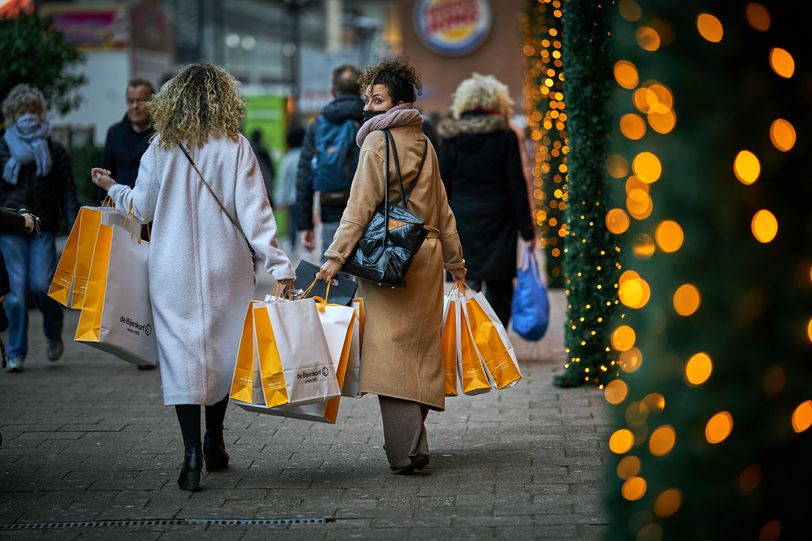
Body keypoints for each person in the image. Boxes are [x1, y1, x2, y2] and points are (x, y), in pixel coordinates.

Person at [91, 63, 295, 491]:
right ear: (223, 98)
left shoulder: (159, 148)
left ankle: (190, 453)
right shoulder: (236, 145)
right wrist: (280, 266)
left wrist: (113, 188)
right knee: (221, 353)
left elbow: (142, 210)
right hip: (228, 268)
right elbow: (256, 214)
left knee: (184, 359)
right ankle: (216, 441)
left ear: (173, 100)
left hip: (172, 269)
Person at [317, 56, 467, 475]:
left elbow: (359, 206)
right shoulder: (424, 141)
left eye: (377, 98)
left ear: (397, 101)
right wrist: (455, 261)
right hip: (428, 256)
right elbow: (443, 207)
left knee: (388, 356)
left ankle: (405, 450)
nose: (369, 105)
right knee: (419, 351)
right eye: (368, 97)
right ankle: (415, 438)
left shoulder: (376, 143)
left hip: (389, 259)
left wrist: (335, 256)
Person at [438, 73, 534, 327]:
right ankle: (496, 340)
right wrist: (528, 230)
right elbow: (517, 186)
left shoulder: (450, 136)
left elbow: (442, 184)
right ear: (497, 101)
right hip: (499, 219)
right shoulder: (505, 136)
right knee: (501, 285)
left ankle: (468, 340)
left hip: (461, 218)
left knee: (465, 281)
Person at [0, 84, 79, 373]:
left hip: (41, 227)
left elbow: (67, 191)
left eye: (33, 111)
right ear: (12, 114)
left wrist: (73, 226)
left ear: (41, 112)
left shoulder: (54, 149)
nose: (28, 116)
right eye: (22, 111)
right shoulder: (3, 147)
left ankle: (53, 333)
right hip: (10, 228)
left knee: (43, 287)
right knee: (17, 294)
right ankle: (16, 352)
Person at [100, 77, 156, 370]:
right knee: (128, 281)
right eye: (130, 100)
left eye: (141, 100)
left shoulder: (162, 135)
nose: (135, 106)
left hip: (152, 220)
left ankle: (148, 340)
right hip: (125, 218)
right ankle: (130, 337)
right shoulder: (114, 133)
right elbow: (105, 175)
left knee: (150, 281)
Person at [296, 64, 364, 260]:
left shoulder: (317, 125)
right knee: (368, 279)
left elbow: (304, 177)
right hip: (368, 213)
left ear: (333, 90)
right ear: (360, 90)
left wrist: (305, 225)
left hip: (331, 209)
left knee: (333, 279)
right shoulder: (371, 122)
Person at [273, 125, 305, 254]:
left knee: (292, 222)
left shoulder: (288, 158)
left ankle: (292, 246)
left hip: (292, 198)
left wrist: (279, 198)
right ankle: (305, 246)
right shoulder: (306, 156)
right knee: (304, 222)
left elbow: (283, 179)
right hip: (306, 197)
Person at [249, 129, 275, 200]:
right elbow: (270, 166)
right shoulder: (263, 149)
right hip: (265, 181)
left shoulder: (248, 150)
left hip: (253, 184)